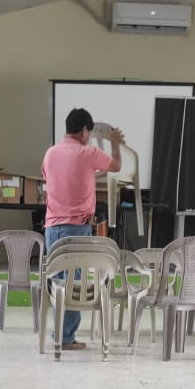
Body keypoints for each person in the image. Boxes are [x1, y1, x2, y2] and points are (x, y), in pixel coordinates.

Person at [41, 108, 123, 350]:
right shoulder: (88, 153)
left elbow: (47, 177)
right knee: (74, 284)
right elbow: (116, 165)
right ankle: (65, 337)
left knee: (58, 283)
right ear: (85, 131)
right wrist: (115, 143)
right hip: (76, 228)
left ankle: (60, 334)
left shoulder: (50, 153)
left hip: (52, 227)